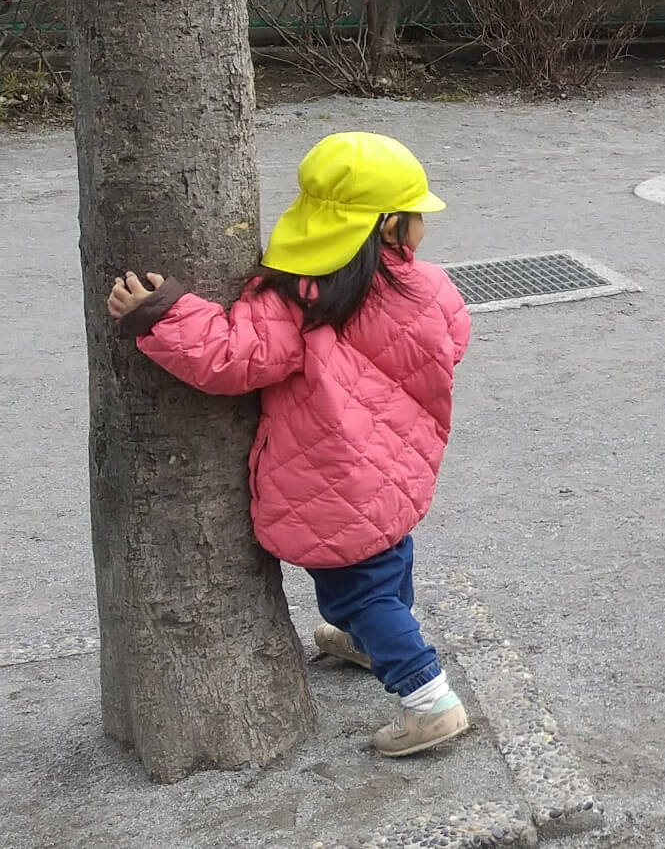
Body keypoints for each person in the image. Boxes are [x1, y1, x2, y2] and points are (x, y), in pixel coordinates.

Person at [105, 132, 474, 756]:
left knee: (357, 590)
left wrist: (162, 313)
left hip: (331, 479)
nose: (421, 229)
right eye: (416, 217)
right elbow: (453, 341)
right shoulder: (428, 285)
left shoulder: (295, 301)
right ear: (388, 229)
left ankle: (427, 699)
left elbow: (231, 356)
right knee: (387, 559)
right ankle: (366, 642)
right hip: (396, 467)